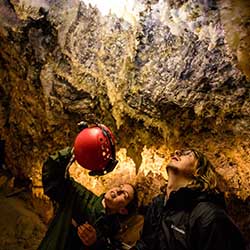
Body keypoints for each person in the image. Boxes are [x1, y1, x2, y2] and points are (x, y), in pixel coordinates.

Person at [38, 123, 138, 250]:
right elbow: (52, 177)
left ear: (123, 210)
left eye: (124, 194)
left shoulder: (113, 233)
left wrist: (95, 244)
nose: (118, 190)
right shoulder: (79, 196)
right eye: (120, 186)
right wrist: (75, 152)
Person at [134, 148, 246, 250]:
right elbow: (145, 244)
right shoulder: (157, 204)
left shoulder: (209, 215)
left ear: (198, 172)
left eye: (187, 154)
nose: (177, 151)